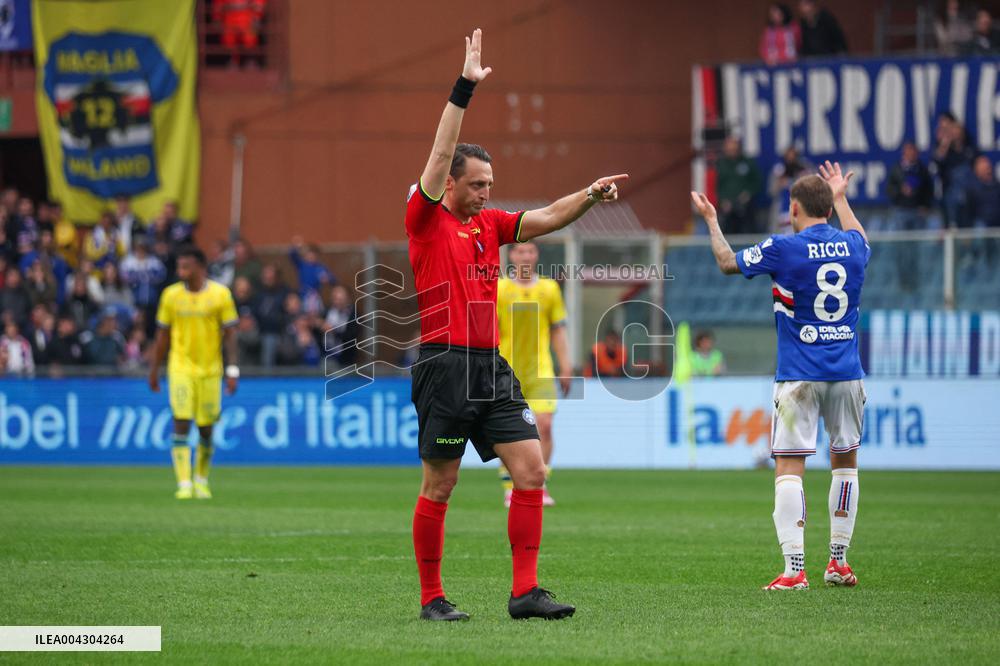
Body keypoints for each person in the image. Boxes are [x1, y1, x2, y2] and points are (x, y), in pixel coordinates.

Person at [404, 29, 625, 622]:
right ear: (447, 183)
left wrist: (590, 195)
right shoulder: (425, 220)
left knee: (531, 470)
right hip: (444, 365)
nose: (484, 195)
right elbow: (437, 150)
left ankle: (524, 593)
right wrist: (464, 87)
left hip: (490, 367)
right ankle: (431, 599)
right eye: (476, 185)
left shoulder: (491, 225)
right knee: (440, 486)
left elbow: (550, 214)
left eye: (489, 188)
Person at [692, 160, 868, 591]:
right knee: (845, 465)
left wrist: (713, 221)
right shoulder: (854, 248)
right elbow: (861, 236)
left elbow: (725, 262)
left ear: (793, 209)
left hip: (799, 375)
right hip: (847, 373)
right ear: (828, 207)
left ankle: (794, 570)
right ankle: (838, 562)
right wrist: (842, 198)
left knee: (790, 467)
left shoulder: (783, 248)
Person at [148, 246, 239, 500]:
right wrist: (154, 368)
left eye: (186, 267)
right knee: (181, 420)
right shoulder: (170, 295)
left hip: (211, 370)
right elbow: (162, 335)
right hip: (180, 368)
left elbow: (231, 334)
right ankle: (184, 483)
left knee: (206, 428)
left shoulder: (221, 294)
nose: (180, 271)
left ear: (200, 267)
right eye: (179, 266)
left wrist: (232, 369)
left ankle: (201, 479)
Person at [496, 241, 571, 508]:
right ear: (512, 256)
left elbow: (558, 330)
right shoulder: (500, 288)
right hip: (505, 370)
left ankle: (540, 483)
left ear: (536, 255)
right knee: (507, 432)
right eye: (520, 251)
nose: (525, 256)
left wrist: (566, 365)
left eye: (530, 251)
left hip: (540, 369)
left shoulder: (549, 288)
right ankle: (509, 486)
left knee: (546, 427)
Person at [716, 136, 763, 235]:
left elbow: (757, 182)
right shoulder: (720, 164)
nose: (732, 151)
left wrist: (748, 194)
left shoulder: (747, 162)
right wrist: (723, 200)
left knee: (747, 232)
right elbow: (717, 186)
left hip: (745, 208)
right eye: (729, 149)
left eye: (734, 149)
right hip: (727, 209)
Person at [769, 146, 813, 234]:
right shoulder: (780, 168)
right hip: (783, 208)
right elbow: (772, 190)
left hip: (802, 207)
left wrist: (794, 181)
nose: (791, 157)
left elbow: (812, 187)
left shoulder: (803, 167)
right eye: (788, 155)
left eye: (793, 155)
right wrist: (780, 182)